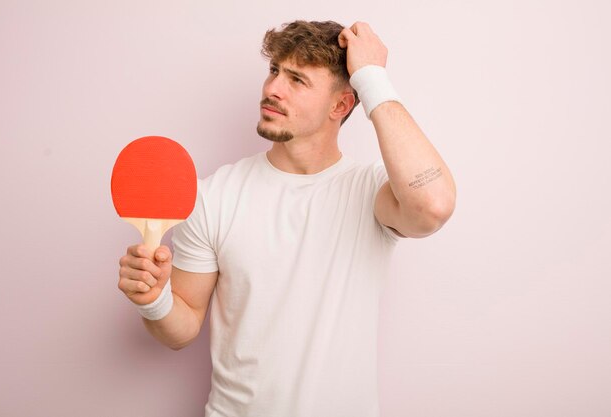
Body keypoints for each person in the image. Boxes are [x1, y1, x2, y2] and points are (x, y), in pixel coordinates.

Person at [118, 20, 456, 417]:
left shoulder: (372, 194)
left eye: (297, 79)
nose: (272, 89)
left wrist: (372, 78)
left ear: (341, 105)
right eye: (274, 71)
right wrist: (154, 300)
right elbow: (183, 326)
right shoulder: (213, 196)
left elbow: (433, 204)